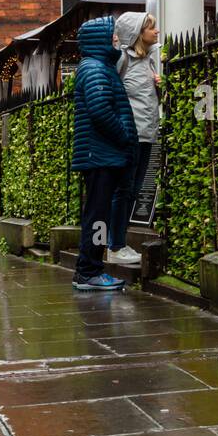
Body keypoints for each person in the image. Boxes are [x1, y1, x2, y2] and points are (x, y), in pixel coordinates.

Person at [71, 16, 138, 292]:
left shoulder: (99, 67)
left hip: (101, 154)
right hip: (101, 156)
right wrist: (124, 135)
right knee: (98, 217)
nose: (117, 40)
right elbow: (100, 111)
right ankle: (90, 271)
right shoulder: (95, 69)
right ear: (99, 39)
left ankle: (89, 270)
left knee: (98, 216)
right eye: (112, 36)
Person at [107, 12, 161, 266]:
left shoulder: (149, 61)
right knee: (124, 190)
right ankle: (115, 246)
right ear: (139, 33)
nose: (156, 31)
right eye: (151, 28)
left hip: (147, 134)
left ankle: (119, 243)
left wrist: (161, 87)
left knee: (134, 190)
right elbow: (110, 95)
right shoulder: (122, 61)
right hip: (130, 135)